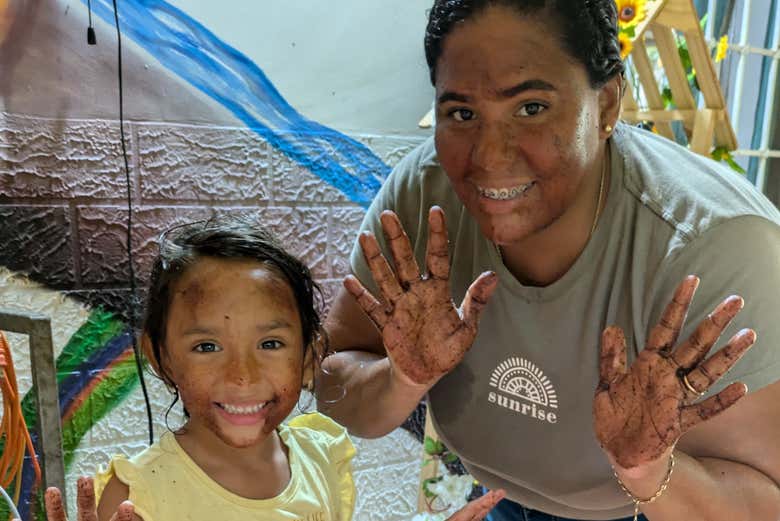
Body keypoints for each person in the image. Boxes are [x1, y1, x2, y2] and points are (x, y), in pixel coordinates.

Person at [318, 1, 780, 520]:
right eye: (462, 114)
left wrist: (647, 470)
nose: (490, 156)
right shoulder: (424, 193)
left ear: (606, 105)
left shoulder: (715, 246)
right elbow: (334, 382)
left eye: (531, 107)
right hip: (495, 498)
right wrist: (401, 379)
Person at [24, 218, 504, 521]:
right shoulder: (136, 498)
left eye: (271, 343)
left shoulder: (320, 457)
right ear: (161, 357)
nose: (242, 375)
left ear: (309, 354)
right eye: (207, 345)